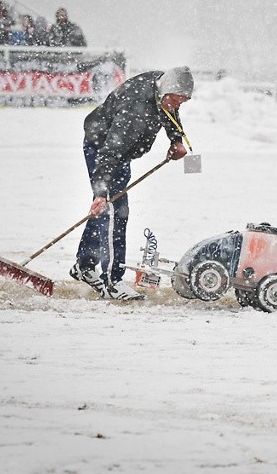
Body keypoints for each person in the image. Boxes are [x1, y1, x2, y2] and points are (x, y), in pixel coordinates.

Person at [70, 67, 194, 300]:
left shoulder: (163, 89)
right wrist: (100, 192)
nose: (178, 106)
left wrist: (176, 139)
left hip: (122, 152)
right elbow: (109, 152)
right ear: (166, 92)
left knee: (110, 208)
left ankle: (84, 266)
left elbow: (170, 111)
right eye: (177, 100)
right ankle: (112, 281)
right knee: (114, 210)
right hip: (104, 149)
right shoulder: (133, 110)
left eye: (182, 102)